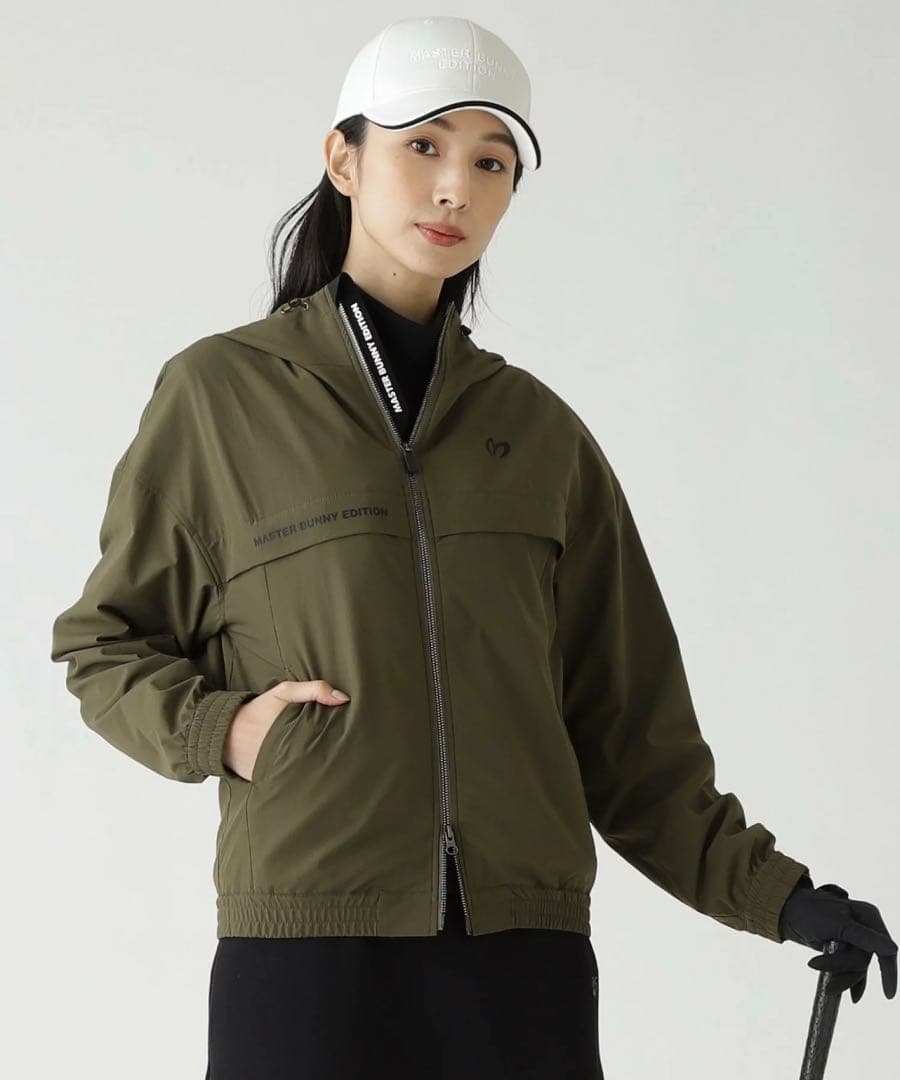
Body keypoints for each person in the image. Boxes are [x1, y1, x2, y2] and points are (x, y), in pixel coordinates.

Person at [49, 14, 896, 1080]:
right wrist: (225, 728)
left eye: (491, 162)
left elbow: (631, 739)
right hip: (309, 952)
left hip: (522, 961)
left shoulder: (539, 434)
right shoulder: (221, 397)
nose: (455, 187)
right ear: (344, 159)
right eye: (423, 146)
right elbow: (105, 644)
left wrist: (784, 898)